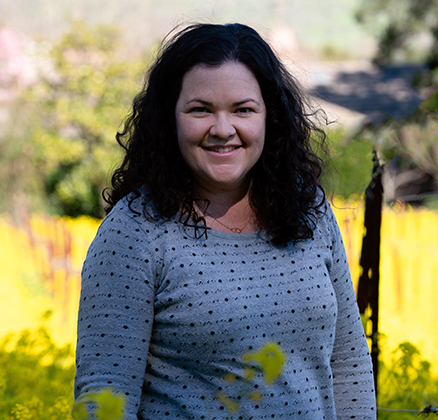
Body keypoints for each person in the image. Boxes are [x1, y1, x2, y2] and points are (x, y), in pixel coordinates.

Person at [73, 23, 376, 419]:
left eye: (243, 109)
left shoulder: (309, 211)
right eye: (200, 110)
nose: (222, 129)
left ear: (270, 116)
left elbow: (348, 365)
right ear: (170, 118)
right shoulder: (134, 232)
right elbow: (104, 399)